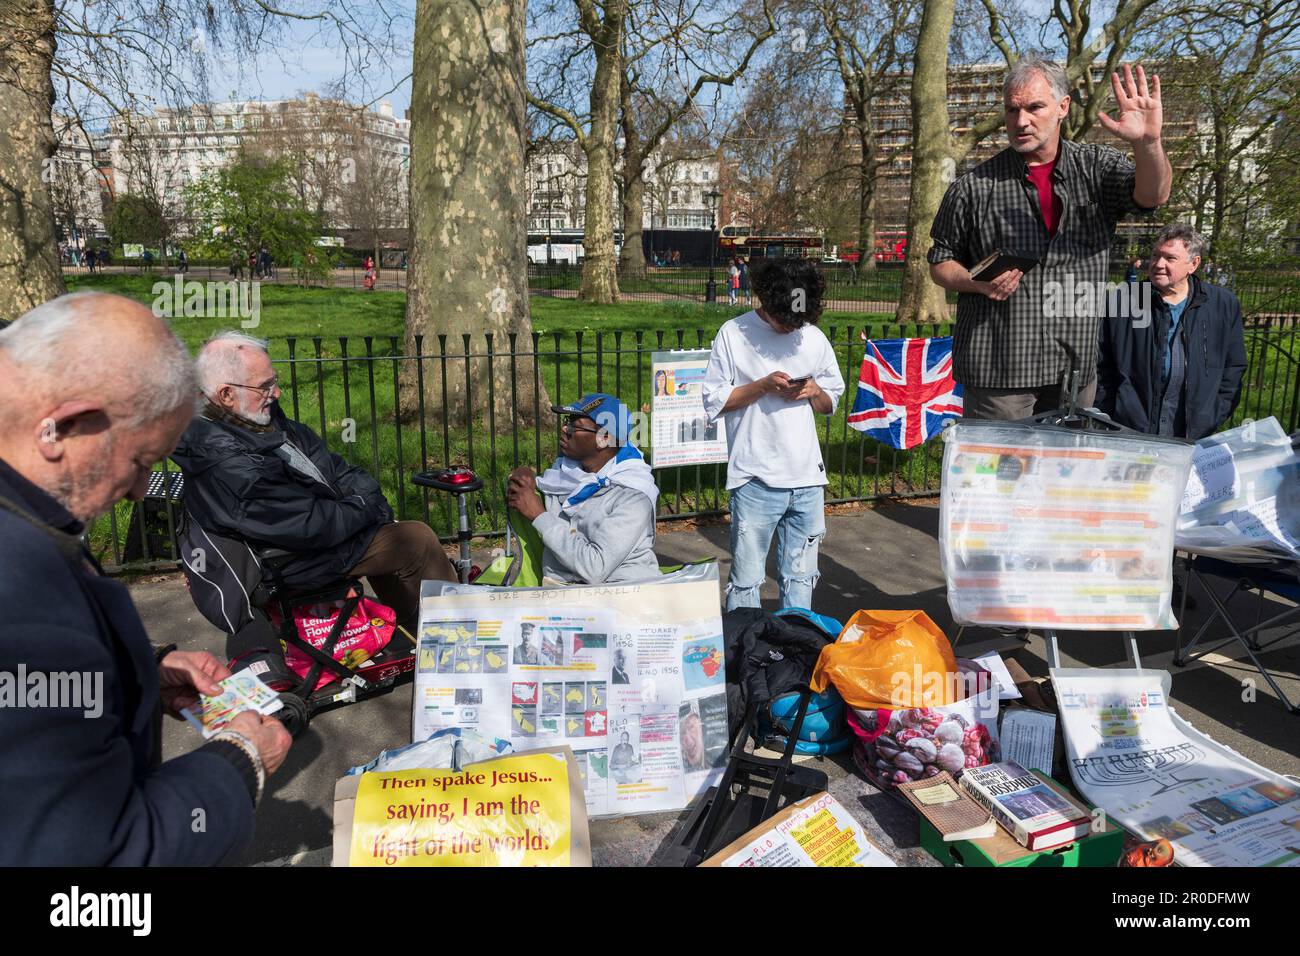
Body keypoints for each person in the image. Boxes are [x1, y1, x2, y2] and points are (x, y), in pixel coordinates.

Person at [0, 292, 291, 864]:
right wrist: (237, 761)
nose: (139, 492)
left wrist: (136, 670)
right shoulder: (21, 592)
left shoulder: (27, 521)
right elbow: (94, 867)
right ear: (64, 425)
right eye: (141, 462)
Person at [928, 57, 1172, 420]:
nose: (1021, 121)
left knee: (1065, 475)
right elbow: (940, 261)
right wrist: (974, 283)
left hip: (1072, 371)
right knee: (1003, 475)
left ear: (1063, 107)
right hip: (1000, 372)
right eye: (1012, 110)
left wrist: (1149, 143)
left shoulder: (1095, 168)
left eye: (1034, 107)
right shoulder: (974, 187)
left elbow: (1153, 196)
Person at [171, 332, 457, 639]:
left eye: (275, 379)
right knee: (414, 540)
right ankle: (451, 639)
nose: (277, 392)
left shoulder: (258, 421)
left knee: (387, 532)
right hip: (285, 562)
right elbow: (306, 524)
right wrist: (365, 508)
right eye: (266, 385)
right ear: (226, 394)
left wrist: (365, 503)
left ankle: (418, 629)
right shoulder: (225, 461)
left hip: (309, 539)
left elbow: (334, 467)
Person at [702, 257, 846, 611]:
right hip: (755, 479)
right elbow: (714, 402)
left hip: (807, 481)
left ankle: (795, 647)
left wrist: (813, 391)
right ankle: (746, 653)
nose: (790, 329)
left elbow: (830, 404)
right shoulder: (734, 334)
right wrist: (763, 386)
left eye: (799, 320)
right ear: (766, 302)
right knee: (747, 580)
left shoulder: (811, 336)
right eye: (784, 320)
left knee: (801, 578)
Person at [1096, 223, 1246, 440]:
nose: (1158, 264)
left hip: (1192, 433)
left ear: (1193, 264)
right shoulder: (1123, 301)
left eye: (1170, 258)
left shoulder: (1222, 304)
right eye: (1155, 255)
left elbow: (1233, 367)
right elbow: (1100, 364)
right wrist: (1112, 413)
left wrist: (1213, 414)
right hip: (1131, 432)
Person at [507, 393, 660, 585]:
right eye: (566, 421)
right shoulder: (564, 475)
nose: (564, 428)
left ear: (604, 437)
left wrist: (540, 516)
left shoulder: (633, 496)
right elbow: (530, 493)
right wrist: (524, 474)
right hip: (563, 594)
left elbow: (594, 568)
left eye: (574, 425)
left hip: (622, 593)